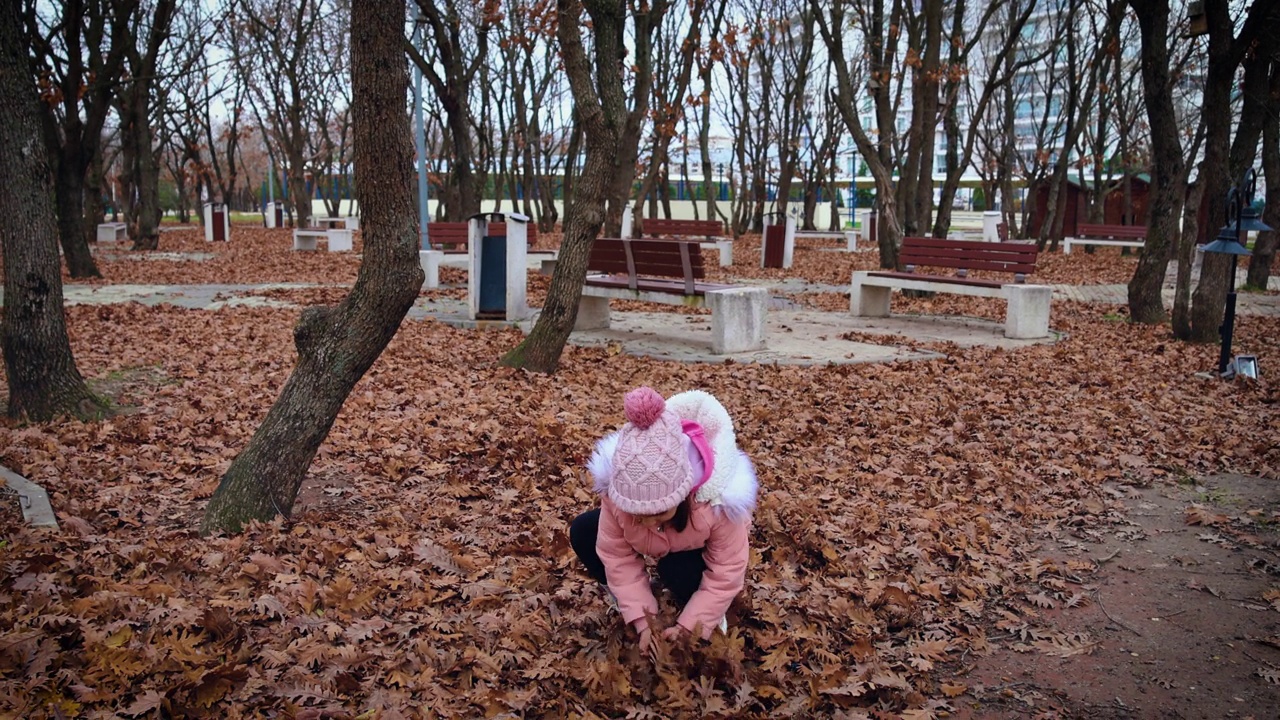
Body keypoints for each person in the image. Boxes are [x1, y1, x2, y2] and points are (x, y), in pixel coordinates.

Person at [569, 386, 758, 651]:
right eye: (638, 514)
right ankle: (629, 599)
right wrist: (642, 619)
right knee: (584, 530)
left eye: (658, 513)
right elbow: (617, 557)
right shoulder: (619, 494)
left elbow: (726, 571)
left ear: (682, 497)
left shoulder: (716, 503)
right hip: (659, 541)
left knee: (677, 569)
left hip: (693, 552)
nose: (647, 522)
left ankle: (701, 609)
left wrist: (690, 627)